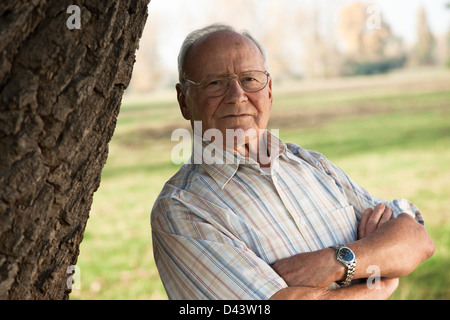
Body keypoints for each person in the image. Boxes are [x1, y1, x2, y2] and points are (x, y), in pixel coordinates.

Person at [150, 23, 434, 300]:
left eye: (249, 79)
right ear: (184, 100)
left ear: (269, 91)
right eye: (215, 84)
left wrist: (333, 262)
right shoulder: (181, 208)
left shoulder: (309, 163)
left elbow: (416, 240)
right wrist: (378, 284)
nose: (237, 96)